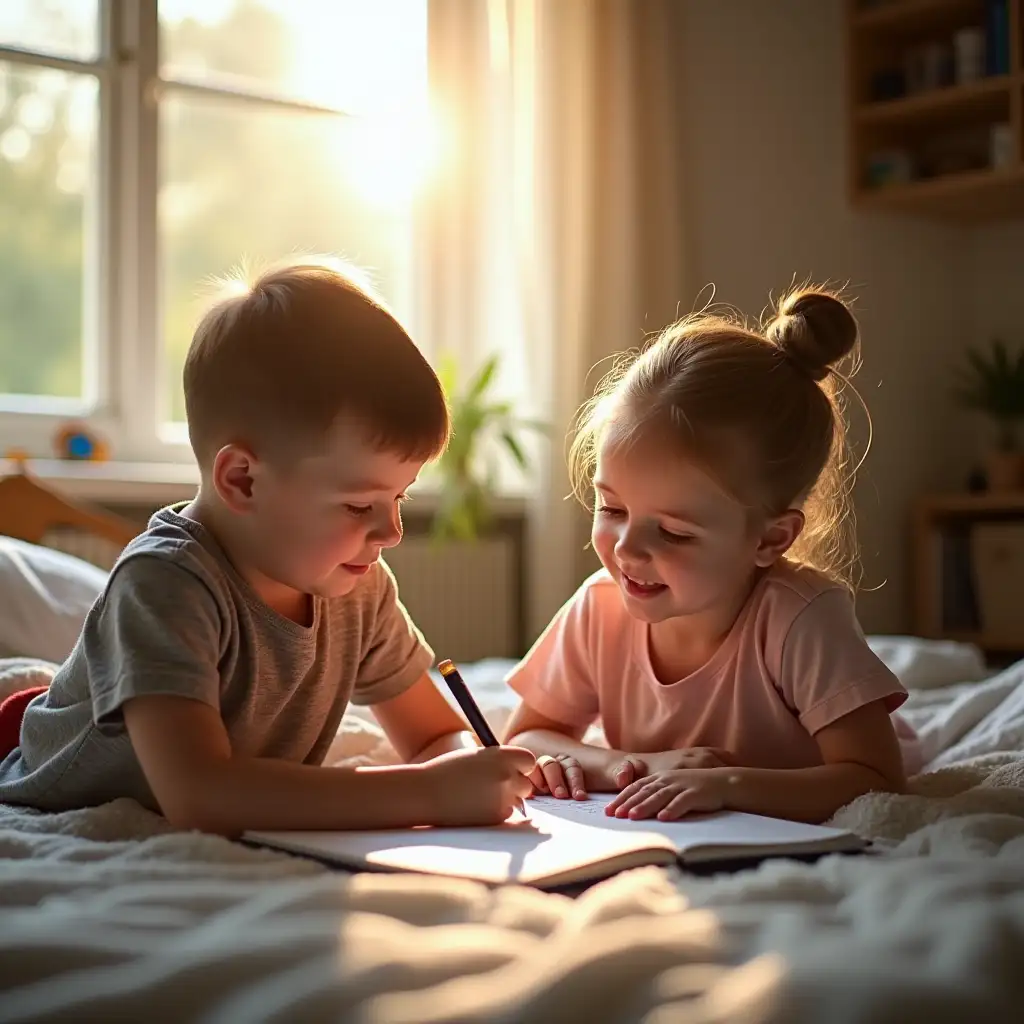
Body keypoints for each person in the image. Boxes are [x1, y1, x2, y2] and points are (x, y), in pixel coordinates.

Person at [0, 259, 534, 835]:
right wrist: (428, 794)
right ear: (243, 481)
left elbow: (434, 736)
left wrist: (469, 770)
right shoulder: (164, 585)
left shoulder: (359, 585)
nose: (392, 533)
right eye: (360, 506)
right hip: (53, 791)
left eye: (399, 497)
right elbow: (200, 795)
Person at [504, 287, 919, 824]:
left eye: (673, 532)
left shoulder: (801, 619)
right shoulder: (598, 609)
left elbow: (877, 777)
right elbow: (527, 736)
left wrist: (725, 786)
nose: (627, 548)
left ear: (770, 540)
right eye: (612, 508)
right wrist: (629, 766)